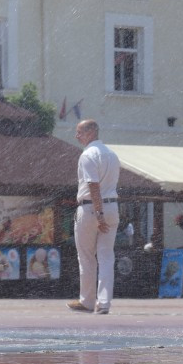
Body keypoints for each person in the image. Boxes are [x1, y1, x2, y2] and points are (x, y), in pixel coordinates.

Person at [67, 119, 120, 315]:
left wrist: (99, 214)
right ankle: (104, 303)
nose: (77, 136)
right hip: (112, 206)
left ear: (91, 132)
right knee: (106, 256)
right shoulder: (112, 154)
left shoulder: (88, 155)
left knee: (87, 257)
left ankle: (87, 301)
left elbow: (93, 185)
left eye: (79, 132)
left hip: (91, 209)